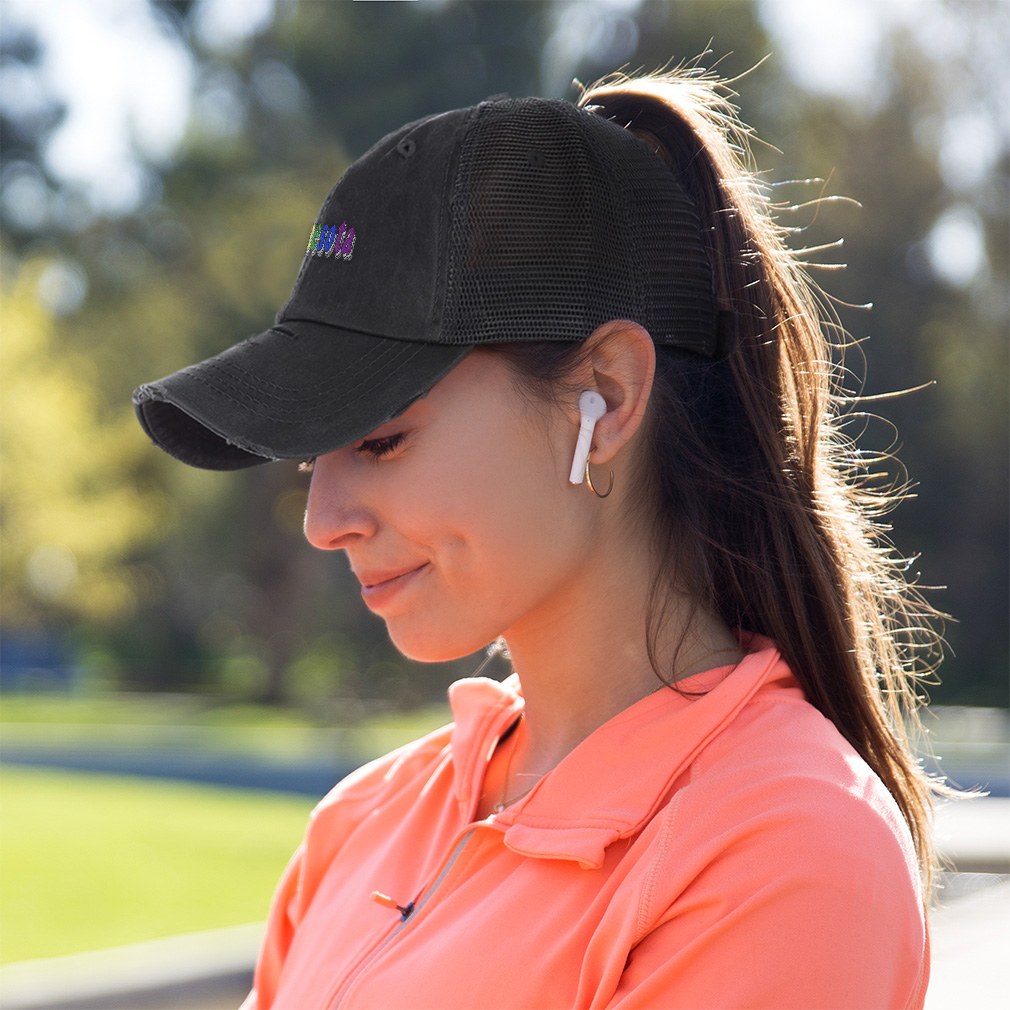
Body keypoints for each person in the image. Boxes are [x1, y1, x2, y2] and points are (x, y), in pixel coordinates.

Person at [133, 67, 942, 1009]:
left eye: (382, 439)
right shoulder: (358, 825)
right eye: (315, 460)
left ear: (607, 397)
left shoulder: (785, 850)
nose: (323, 521)